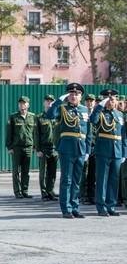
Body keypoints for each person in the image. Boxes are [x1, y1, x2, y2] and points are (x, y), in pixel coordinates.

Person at [45, 83, 91, 219]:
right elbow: (49, 115)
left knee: (77, 180)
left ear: (81, 96)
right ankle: (66, 209)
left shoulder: (84, 110)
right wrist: (59, 101)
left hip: (81, 149)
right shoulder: (62, 108)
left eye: (76, 94)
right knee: (67, 180)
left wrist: (87, 150)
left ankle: (75, 207)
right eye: (71, 94)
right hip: (67, 148)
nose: (73, 96)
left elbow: (88, 133)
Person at [89, 89, 126, 217]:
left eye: (114, 99)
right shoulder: (100, 113)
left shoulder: (119, 115)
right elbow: (93, 120)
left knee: (114, 180)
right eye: (109, 99)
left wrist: (124, 153)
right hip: (103, 151)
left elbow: (123, 135)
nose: (112, 101)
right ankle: (101, 207)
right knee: (102, 180)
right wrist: (100, 106)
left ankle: (111, 206)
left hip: (117, 151)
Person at [6, 96, 35, 199]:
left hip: (28, 147)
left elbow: (34, 133)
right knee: (16, 171)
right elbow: (9, 133)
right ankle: (17, 192)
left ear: (28, 105)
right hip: (16, 148)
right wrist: (9, 147)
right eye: (20, 103)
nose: (22, 105)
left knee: (26, 171)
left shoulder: (32, 117)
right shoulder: (13, 117)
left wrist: (35, 146)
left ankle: (25, 191)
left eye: (24, 103)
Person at [34, 95, 58, 201]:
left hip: (55, 148)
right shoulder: (39, 117)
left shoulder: (57, 116)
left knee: (52, 172)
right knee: (43, 172)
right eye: (47, 101)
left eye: (51, 101)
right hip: (43, 148)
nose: (49, 103)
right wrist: (37, 149)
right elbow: (36, 134)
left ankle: (50, 190)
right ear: (44, 103)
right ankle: (44, 193)